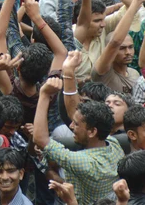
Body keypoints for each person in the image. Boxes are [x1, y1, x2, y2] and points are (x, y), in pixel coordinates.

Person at [34, 69, 124, 205]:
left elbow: (40, 139)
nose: (70, 126)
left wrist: (44, 94)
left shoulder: (86, 163)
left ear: (92, 132)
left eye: (76, 124)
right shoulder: (113, 143)